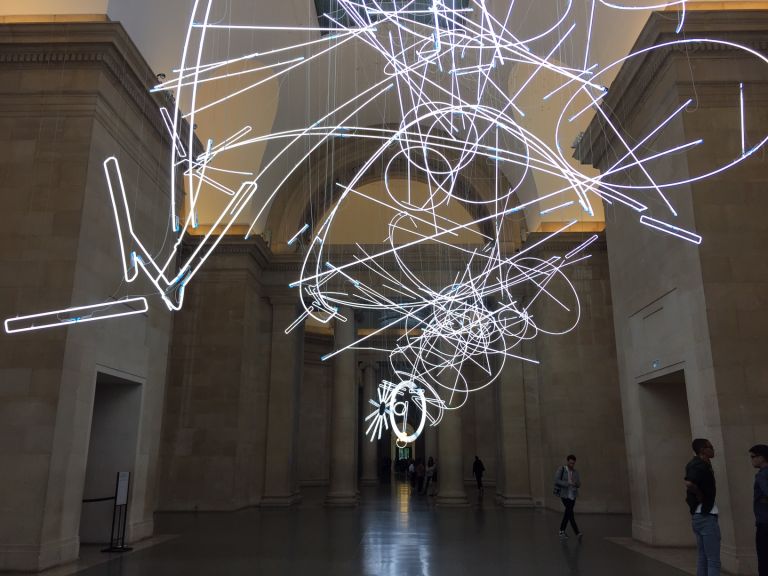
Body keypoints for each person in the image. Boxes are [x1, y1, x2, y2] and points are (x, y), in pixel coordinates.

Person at [685, 438, 720, 576]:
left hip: (700, 514)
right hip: (706, 514)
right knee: (713, 559)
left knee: (703, 557)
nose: (713, 449)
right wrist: (700, 494)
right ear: (702, 450)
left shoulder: (703, 464)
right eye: (710, 447)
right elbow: (689, 483)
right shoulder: (698, 465)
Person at [750, 444, 768, 575]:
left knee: (764, 558)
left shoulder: (762, 475)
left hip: (765, 521)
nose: (752, 460)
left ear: (761, 458)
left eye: (753, 457)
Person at [554, 454, 581, 539]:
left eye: (573, 463)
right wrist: (567, 483)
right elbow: (556, 480)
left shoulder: (576, 472)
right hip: (564, 495)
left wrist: (576, 483)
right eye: (570, 463)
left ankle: (562, 531)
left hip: (573, 495)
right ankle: (577, 532)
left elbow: (579, 484)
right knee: (569, 513)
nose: (571, 465)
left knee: (568, 513)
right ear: (567, 461)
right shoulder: (561, 469)